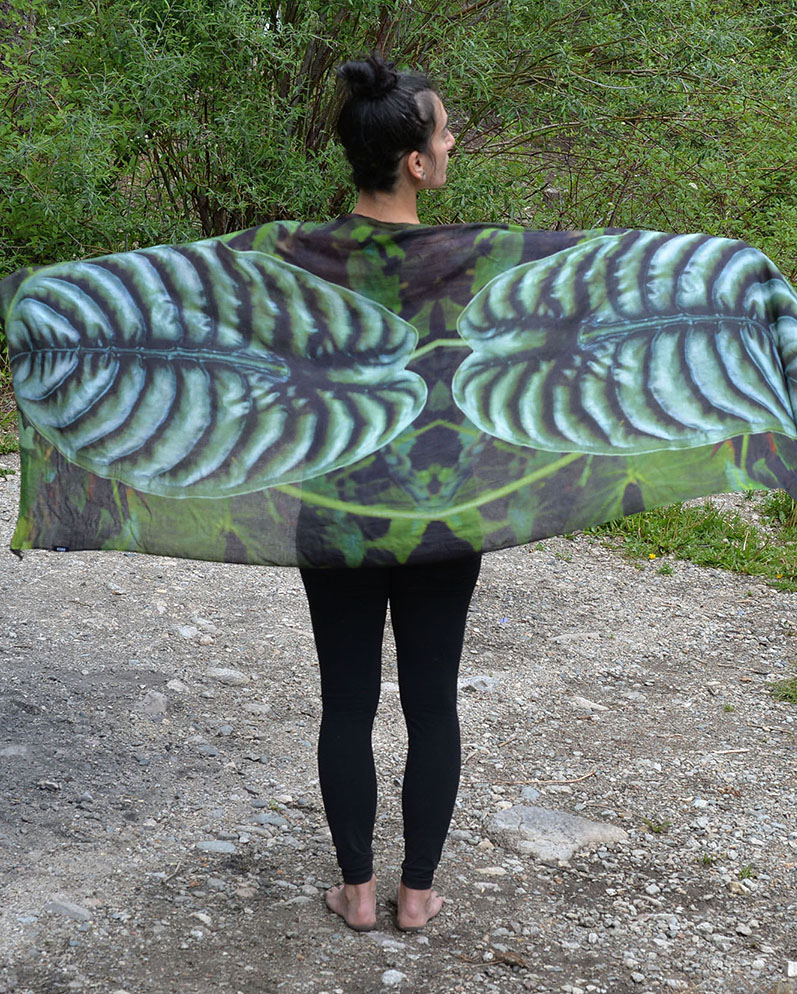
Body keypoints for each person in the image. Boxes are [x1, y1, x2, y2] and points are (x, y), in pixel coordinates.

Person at [298, 53, 473, 934]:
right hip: (443, 511)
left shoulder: (300, 258)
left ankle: (356, 892)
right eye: (443, 132)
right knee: (431, 697)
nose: (450, 143)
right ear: (415, 162)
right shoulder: (470, 259)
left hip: (337, 506)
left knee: (347, 699)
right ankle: (416, 895)